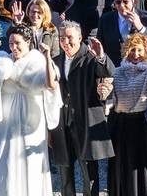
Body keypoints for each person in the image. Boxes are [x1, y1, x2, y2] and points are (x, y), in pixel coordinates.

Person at [0, 24, 63, 196]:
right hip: (5, 121)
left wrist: (47, 57)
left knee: (29, 163)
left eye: (17, 43)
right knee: (5, 162)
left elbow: (50, 84)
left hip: (30, 121)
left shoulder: (37, 60)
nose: (13, 47)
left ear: (28, 42)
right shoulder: (3, 59)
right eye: (10, 43)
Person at [48, 22, 114, 196]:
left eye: (69, 37)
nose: (66, 42)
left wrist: (101, 56)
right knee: (65, 173)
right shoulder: (56, 60)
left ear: (80, 37)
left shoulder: (91, 57)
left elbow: (108, 72)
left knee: (89, 174)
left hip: (85, 123)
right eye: (62, 38)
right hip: (62, 123)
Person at [104, 33, 147, 196]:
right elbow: (112, 97)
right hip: (121, 125)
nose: (136, 54)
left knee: (142, 168)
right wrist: (106, 97)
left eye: (139, 50)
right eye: (132, 50)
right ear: (127, 51)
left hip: (142, 126)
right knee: (121, 167)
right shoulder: (118, 72)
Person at [97, 0, 147, 66]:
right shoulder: (106, 19)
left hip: (140, 71)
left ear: (135, 2)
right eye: (118, 2)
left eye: (125, 2)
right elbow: (100, 48)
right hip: (115, 72)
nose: (121, 5)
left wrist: (141, 28)